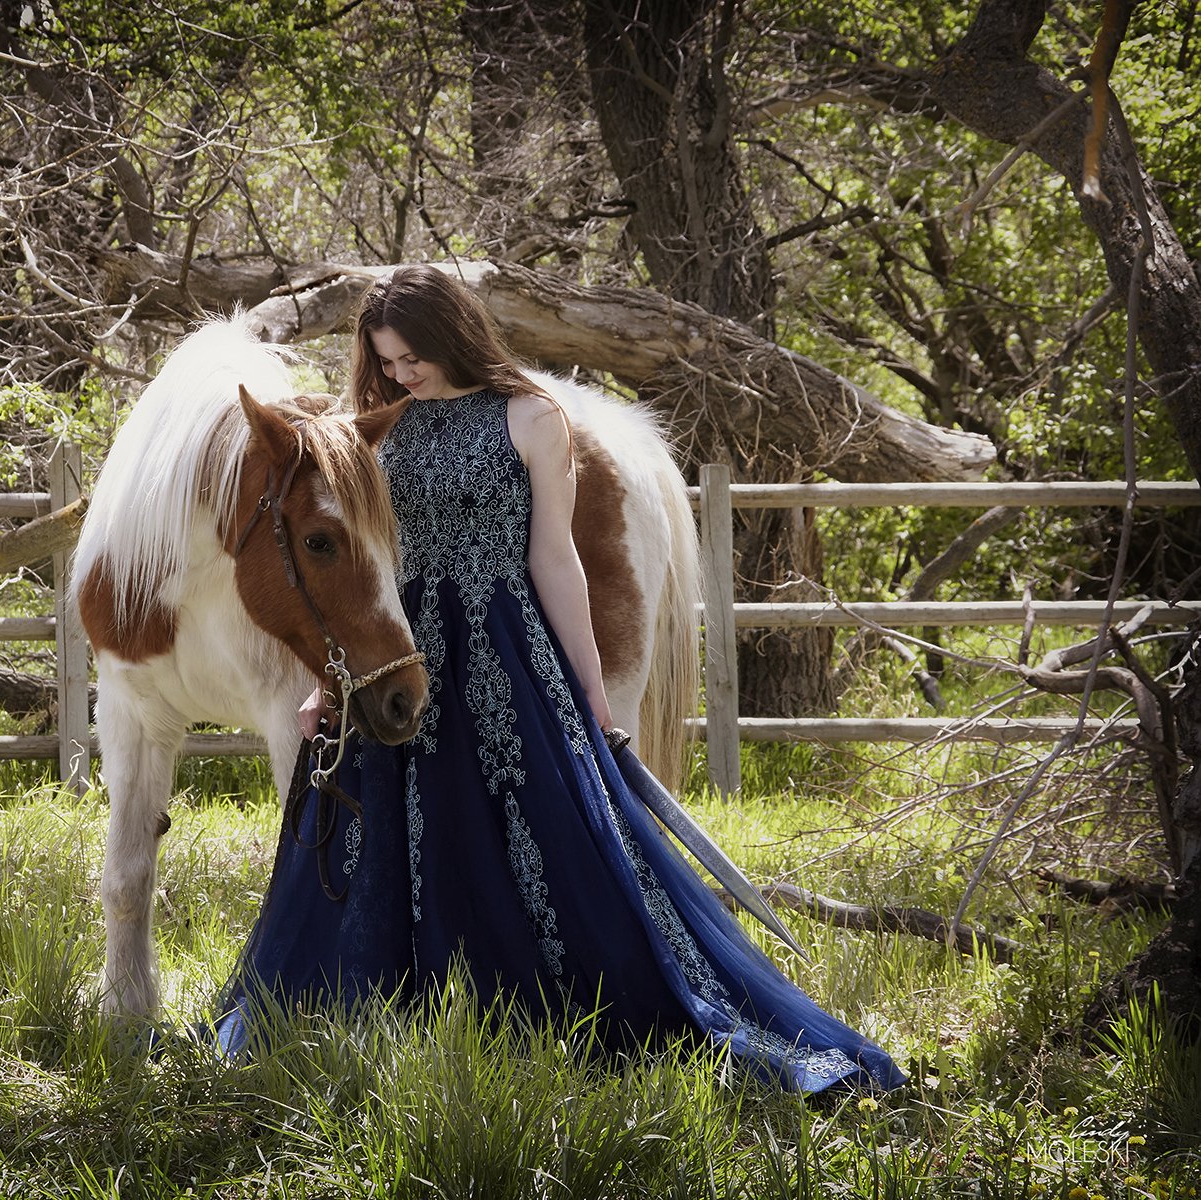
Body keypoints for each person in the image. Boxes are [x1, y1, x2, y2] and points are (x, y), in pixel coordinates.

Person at [213, 265, 906, 1094]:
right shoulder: (372, 429)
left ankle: (533, 1010)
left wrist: (587, 690)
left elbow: (555, 558)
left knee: (539, 839)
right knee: (378, 838)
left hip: (504, 650)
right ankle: (389, 1012)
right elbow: (354, 571)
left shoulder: (531, 417)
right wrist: (331, 684)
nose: (400, 374)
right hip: (398, 653)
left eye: (410, 356)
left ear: (449, 334)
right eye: (386, 360)